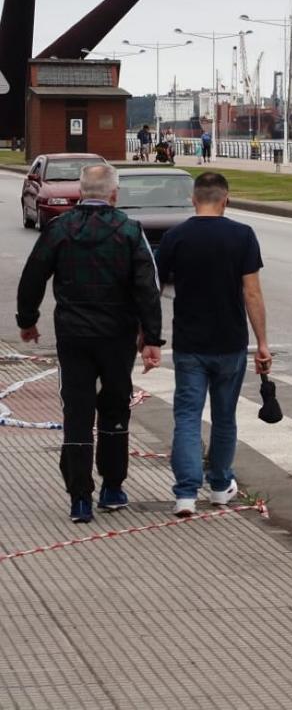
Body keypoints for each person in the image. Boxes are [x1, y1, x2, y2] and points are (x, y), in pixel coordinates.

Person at [15, 164, 163, 523]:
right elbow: (147, 287)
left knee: (77, 411)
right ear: (114, 193)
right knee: (115, 408)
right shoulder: (130, 231)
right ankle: (112, 487)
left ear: (81, 192)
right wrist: (151, 337)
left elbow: (33, 275)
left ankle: (79, 497)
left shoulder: (59, 228)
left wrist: (27, 320)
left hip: (73, 335)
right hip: (117, 336)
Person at [156, 172, 271, 517]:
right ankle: (220, 486)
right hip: (230, 341)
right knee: (224, 417)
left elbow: (153, 288)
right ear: (226, 200)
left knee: (187, 417)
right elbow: (252, 292)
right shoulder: (243, 236)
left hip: (190, 343)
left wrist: (146, 334)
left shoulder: (175, 237)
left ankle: (185, 494)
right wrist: (262, 342)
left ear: (193, 200)